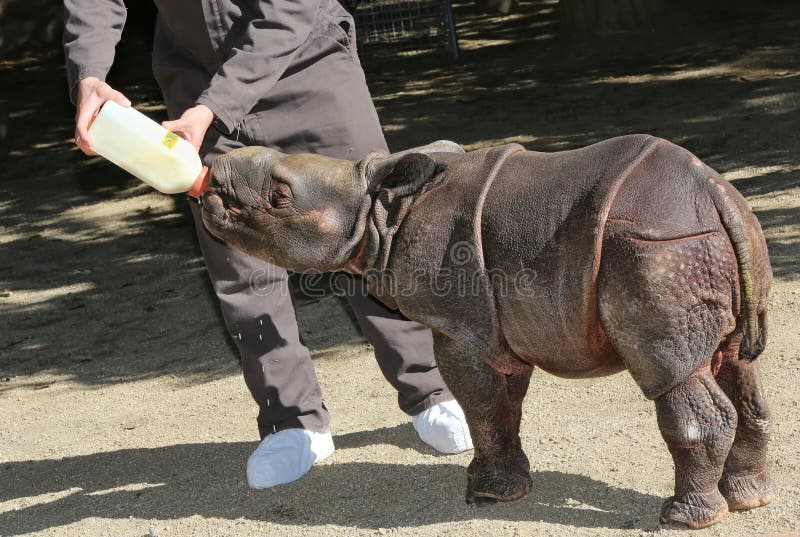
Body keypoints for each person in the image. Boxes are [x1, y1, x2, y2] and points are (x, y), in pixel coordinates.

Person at [63, 0, 472, 489]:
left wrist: (213, 107)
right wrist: (88, 72)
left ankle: (428, 389)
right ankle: (292, 420)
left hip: (307, 64)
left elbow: (288, 8)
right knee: (237, 260)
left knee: (367, 233)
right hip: (195, 78)